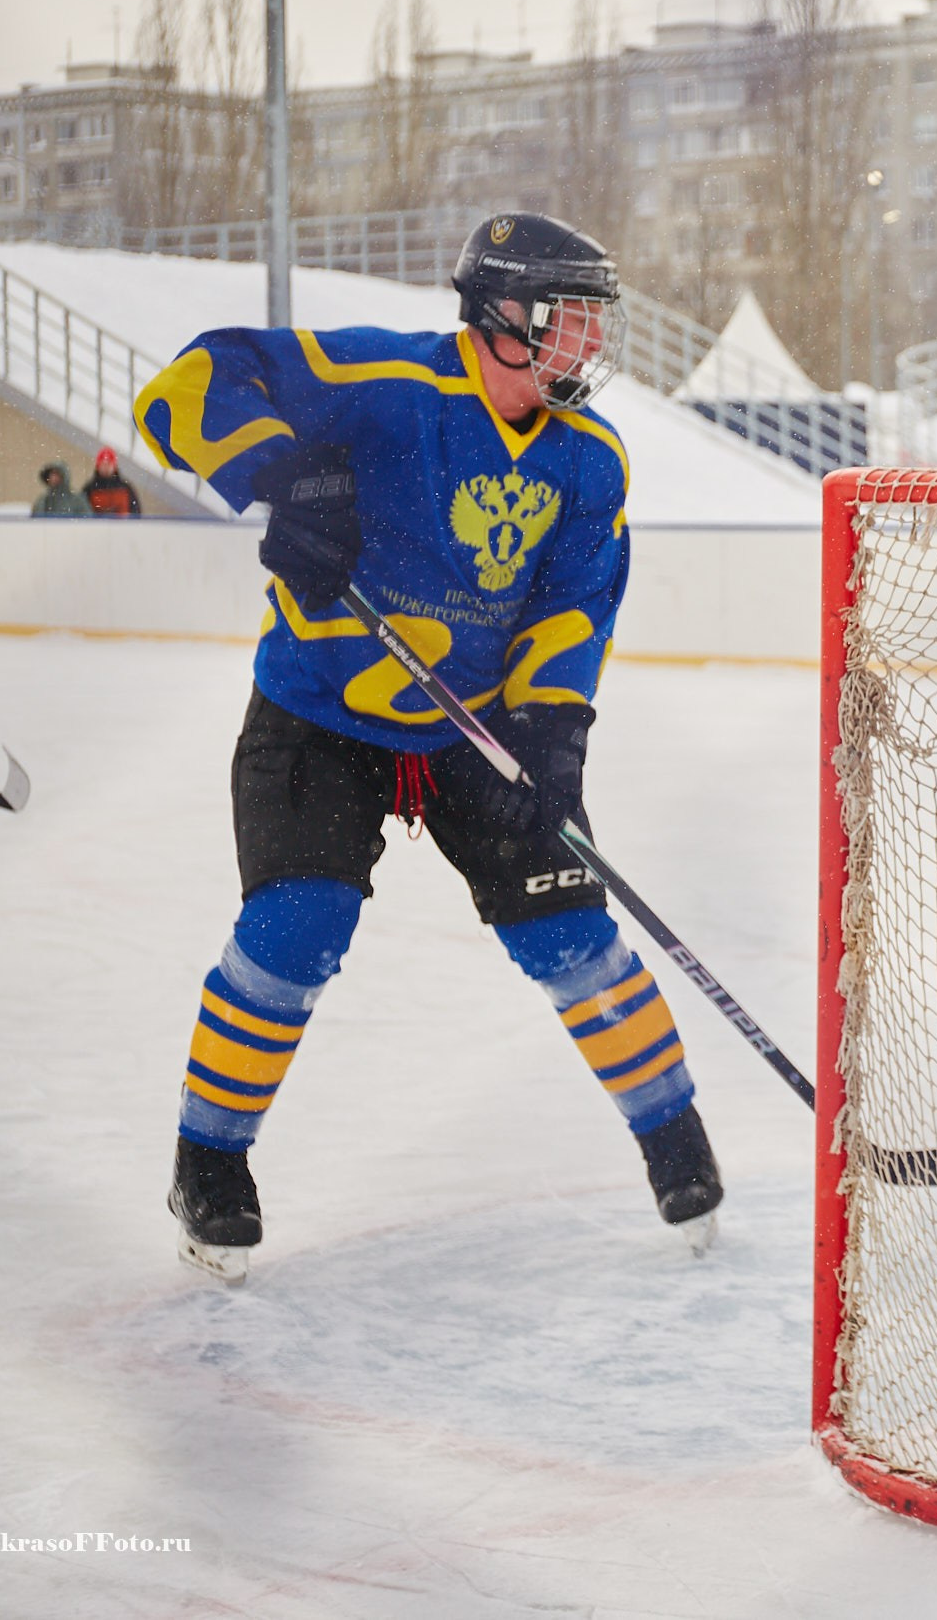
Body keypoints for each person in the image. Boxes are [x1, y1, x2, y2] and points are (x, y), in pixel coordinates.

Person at [133, 211, 720, 1285]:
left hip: (476, 729)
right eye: (566, 324)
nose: (585, 349)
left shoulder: (588, 461)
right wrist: (287, 478)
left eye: (596, 328)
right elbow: (190, 384)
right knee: (295, 926)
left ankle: (676, 1143)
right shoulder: (389, 383)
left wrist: (551, 738)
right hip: (319, 711)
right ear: (499, 319)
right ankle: (207, 1162)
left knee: (570, 935)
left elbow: (575, 600)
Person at [83, 445, 142, 517]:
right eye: (103, 464)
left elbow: (136, 512)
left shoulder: (126, 488)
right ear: (98, 466)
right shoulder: (89, 489)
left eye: (109, 464)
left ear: (114, 466)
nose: (106, 468)